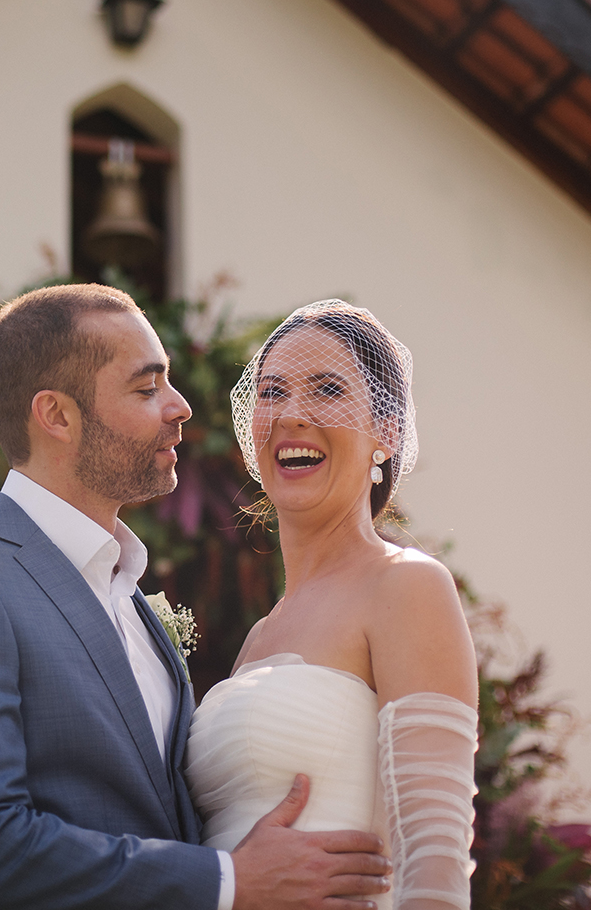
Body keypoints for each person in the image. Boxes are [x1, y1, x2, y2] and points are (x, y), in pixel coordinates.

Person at [0, 284, 393, 910]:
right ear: (56, 416)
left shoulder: (133, 604)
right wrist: (228, 882)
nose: (181, 407)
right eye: (146, 389)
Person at [186, 300, 480, 910]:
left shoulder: (406, 586)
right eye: (272, 392)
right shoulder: (257, 640)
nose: (292, 414)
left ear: (387, 432)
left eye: (326, 389)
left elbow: (436, 856)